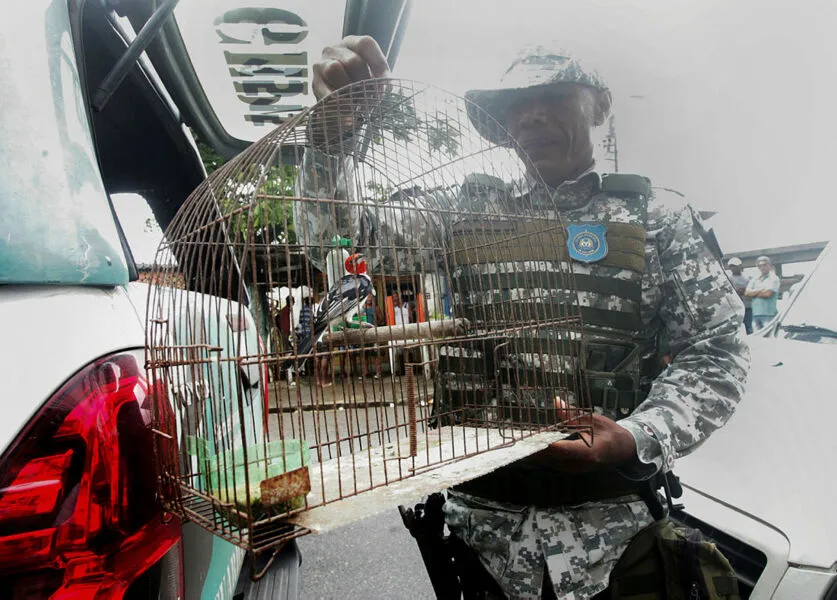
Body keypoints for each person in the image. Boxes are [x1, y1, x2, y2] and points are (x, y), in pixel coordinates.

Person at [304, 37, 749, 599]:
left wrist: (639, 435)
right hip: (481, 540)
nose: (533, 115)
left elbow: (717, 349)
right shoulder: (461, 211)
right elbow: (338, 239)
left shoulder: (656, 219)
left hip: (614, 543)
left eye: (554, 97)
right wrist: (330, 143)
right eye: (516, 105)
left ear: (598, 106)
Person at [745, 255, 781, 331]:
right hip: (755, 315)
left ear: (769, 265)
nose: (762, 267)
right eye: (760, 266)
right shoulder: (754, 279)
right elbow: (747, 293)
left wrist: (754, 293)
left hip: (770, 315)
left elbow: (768, 294)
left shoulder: (774, 278)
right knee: (757, 337)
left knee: (770, 336)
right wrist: (761, 290)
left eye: (764, 265)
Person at [727, 257, 752, 334]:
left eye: (734, 266)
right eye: (731, 266)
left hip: (747, 307)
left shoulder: (747, 278)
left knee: (749, 328)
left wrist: (743, 291)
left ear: (740, 266)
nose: (733, 268)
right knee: (735, 329)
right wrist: (735, 291)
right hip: (735, 309)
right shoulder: (728, 279)